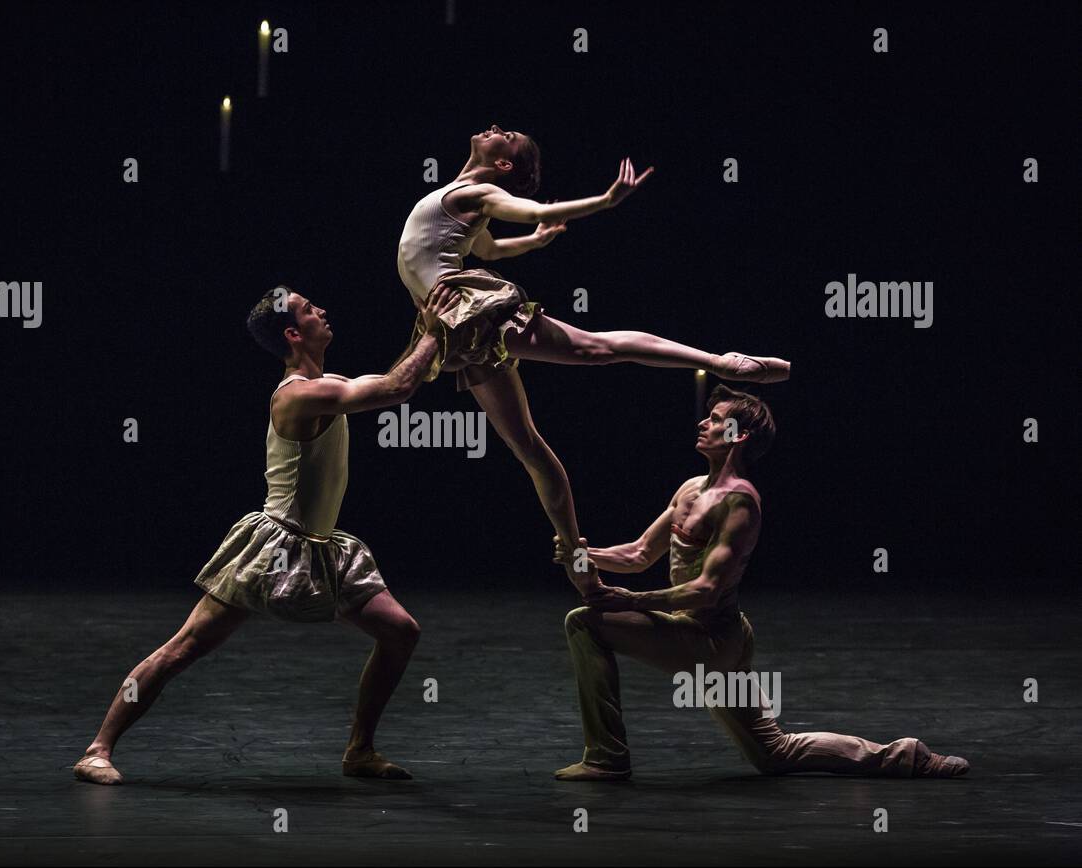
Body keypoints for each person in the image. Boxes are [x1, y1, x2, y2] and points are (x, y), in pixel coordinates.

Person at [73, 285, 456, 785]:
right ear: (294, 334)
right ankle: (96, 750)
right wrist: (433, 331)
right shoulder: (299, 395)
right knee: (184, 647)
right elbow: (396, 390)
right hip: (275, 548)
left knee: (400, 631)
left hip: (324, 548)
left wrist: (431, 333)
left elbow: (397, 377)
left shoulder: (327, 383)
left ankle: (360, 751)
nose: (322, 309)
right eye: (308, 309)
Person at [395, 124, 791, 597]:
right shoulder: (461, 197)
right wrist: (534, 245)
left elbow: (535, 210)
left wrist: (604, 201)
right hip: (454, 326)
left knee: (595, 348)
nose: (497, 128)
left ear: (503, 164)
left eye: (509, 135)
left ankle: (720, 361)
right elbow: (490, 249)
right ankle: (577, 558)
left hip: (466, 311)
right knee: (531, 449)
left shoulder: (478, 194)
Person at [553, 385, 970, 781]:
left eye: (715, 419)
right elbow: (641, 552)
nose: (703, 424)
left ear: (738, 434)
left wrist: (631, 600)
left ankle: (607, 759)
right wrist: (586, 555)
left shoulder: (739, 502)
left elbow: (707, 589)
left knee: (584, 621)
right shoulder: (691, 489)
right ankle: (908, 756)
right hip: (718, 636)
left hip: (708, 640)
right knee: (775, 753)